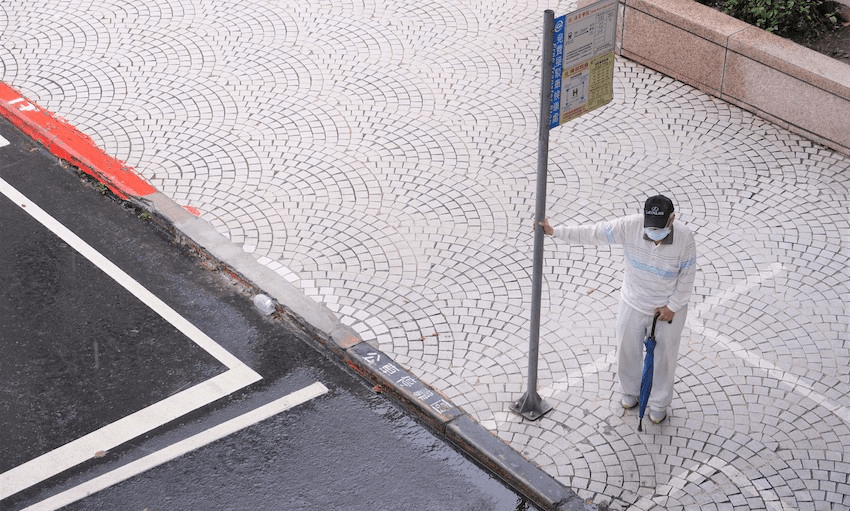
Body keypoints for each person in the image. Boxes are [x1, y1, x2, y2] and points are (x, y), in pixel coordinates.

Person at [539, 195, 696, 424]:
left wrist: (672, 307)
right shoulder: (629, 226)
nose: (654, 234)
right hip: (632, 303)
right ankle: (630, 391)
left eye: (660, 227)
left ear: (672, 219)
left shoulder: (685, 238)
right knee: (626, 350)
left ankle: (659, 403)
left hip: (667, 310)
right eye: (650, 226)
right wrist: (556, 232)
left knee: (664, 358)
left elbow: (687, 276)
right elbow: (594, 232)